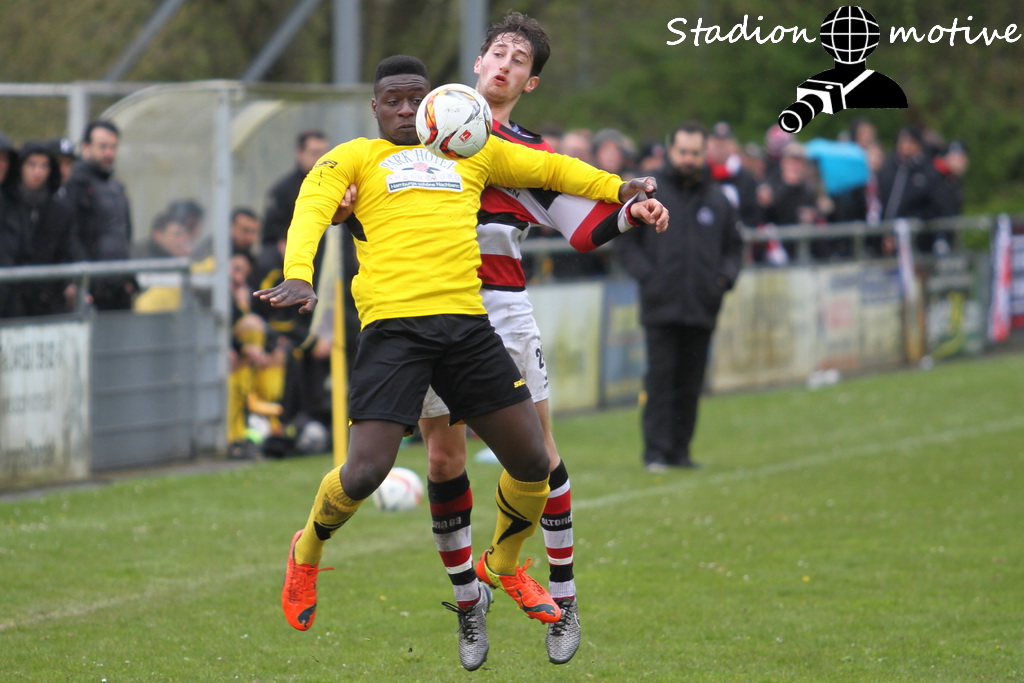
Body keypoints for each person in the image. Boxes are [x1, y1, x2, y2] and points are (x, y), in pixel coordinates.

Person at [255, 54, 664, 670]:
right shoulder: (355, 158)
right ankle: (307, 549)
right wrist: (298, 275)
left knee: (534, 461)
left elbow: (550, 167)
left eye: (413, 98)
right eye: (391, 100)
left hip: (468, 328)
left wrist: (618, 187)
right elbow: (311, 208)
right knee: (365, 471)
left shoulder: (469, 150)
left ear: (431, 102)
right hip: (394, 333)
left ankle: (502, 563)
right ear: (374, 107)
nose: (403, 109)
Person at [409, 11, 668, 669]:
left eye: (519, 60)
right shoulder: (427, 129)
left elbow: (580, 227)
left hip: (501, 310)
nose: (504, 64)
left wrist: (630, 211)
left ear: (531, 83)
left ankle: (564, 595)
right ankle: (469, 600)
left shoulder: (526, 151)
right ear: (477, 63)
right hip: (431, 306)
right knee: (442, 458)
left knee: (542, 454)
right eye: (498, 52)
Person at [615, 121, 743, 472]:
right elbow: (625, 244)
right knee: (660, 380)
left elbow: (734, 248)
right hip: (661, 305)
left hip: (702, 305)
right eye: (683, 151)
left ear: (705, 153)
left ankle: (680, 452)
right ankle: (656, 453)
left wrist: (722, 280)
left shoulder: (718, 199)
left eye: (695, 153)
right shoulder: (649, 194)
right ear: (670, 151)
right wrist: (650, 278)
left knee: (691, 382)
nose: (688, 159)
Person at [3, 140, 83, 317]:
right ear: (20, 167)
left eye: (44, 166)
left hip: (48, 299)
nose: (38, 172)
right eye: (32, 165)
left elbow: (67, 251)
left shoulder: (61, 211)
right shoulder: (7, 206)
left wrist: (68, 283)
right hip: (11, 298)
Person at [65, 120, 135, 310]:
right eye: (103, 146)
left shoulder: (117, 188)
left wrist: (129, 278)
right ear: (86, 148)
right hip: (92, 286)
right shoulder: (76, 184)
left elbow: (125, 234)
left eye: (113, 147)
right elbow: (71, 236)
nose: (109, 153)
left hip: (119, 285)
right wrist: (83, 281)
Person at [261, 130, 330, 248]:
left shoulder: (337, 184)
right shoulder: (283, 191)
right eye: (315, 153)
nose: (321, 158)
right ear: (299, 153)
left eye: (325, 153)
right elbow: (272, 234)